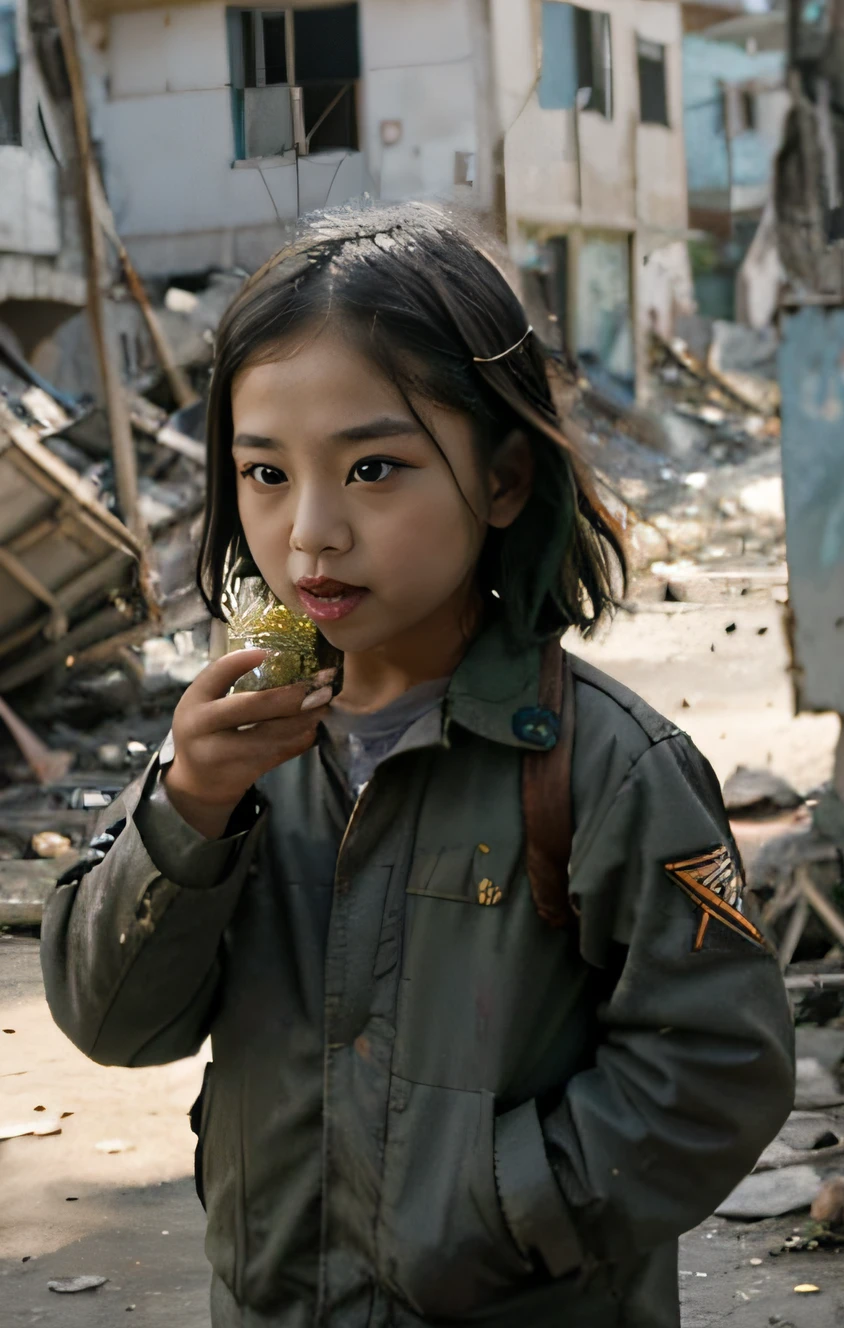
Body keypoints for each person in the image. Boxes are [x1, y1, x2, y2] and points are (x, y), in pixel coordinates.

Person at [41, 203, 794, 1328]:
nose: (309, 534)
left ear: (499, 481)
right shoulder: (230, 746)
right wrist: (187, 811)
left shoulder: (609, 768)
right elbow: (113, 1022)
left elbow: (715, 1068)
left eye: (374, 467)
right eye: (263, 473)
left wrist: (496, 1209)